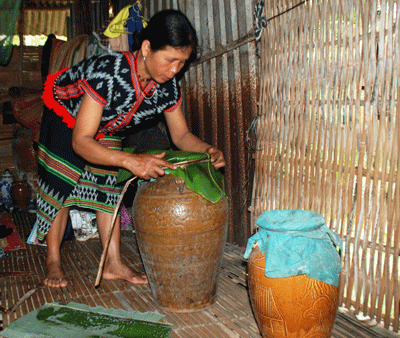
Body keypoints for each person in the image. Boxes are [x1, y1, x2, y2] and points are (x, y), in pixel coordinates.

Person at [36, 9, 226, 288]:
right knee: (61, 182)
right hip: (66, 115)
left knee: (109, 185)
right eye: (170, 60)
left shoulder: (168, 87)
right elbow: (81, 141)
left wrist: (207, 151)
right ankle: (53, 260)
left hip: (107, 125)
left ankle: (113, 263)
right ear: (147, 48)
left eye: (182, 62)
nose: (175, 70)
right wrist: (132, 160)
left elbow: (181, 135)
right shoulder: (107, 73)